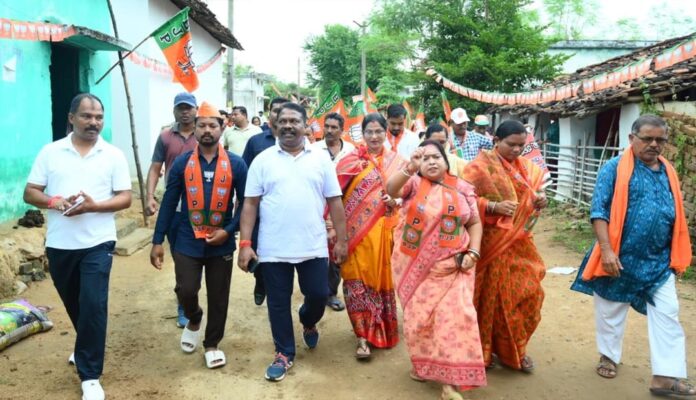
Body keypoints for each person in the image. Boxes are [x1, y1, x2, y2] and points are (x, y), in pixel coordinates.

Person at [571, 115, 695, 396]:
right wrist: (606, 250)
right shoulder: (614, 168)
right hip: (619, 255)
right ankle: (608, 356)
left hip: (658, 260)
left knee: (668, 312)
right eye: (647, 138)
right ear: (631, 138)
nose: (654, 144)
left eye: (660, 140)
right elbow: (599, 210)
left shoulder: (668, 171)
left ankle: (665, 377)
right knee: (610, 309)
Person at [23, 93, 132, 400]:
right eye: (86, 116)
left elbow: (125, 197)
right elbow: (31, 192)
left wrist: (94, 207)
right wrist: (55, 202)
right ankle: (85, 345)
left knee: (94, 304)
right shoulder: (51, 152)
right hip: (60, 244)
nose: (93, 122)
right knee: (76, 304)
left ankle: (90, 376)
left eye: (98, 117)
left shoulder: (113, 155)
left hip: (99, 242)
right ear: (71, 118)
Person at [238, 102, 348, 382]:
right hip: (273, 247)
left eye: (294, 121)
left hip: (313, 245)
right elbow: (250, 204)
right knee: (277, 302)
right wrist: (245, 244)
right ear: (275, 125)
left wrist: (342, 240)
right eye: (283, 121)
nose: (288, 126)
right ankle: (284, 352)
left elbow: (335, 201)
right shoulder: (263, 160)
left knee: (318, 295)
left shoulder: (321, 159)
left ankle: (308, 320)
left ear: (306, 125)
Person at [150, 102, 247, 370]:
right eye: (201, 125)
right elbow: (169, 202)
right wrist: (157, 240)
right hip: (187, 237)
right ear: (194, 129)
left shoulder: (236, 164)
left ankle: (212, 343)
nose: (207, 130)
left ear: (222, 128)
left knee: (218, 295)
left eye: (212, 125)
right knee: (186, 289)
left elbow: (246, 203)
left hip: (221, 240)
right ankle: (194, 317)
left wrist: (229, 230)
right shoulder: (183, 163)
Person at [387, 140, 487, 400]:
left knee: (454, 320)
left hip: (455, 267)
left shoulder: (462, 188)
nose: (431, 162)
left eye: (436, 157)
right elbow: (390, 189)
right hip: (417, 271)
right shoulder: (413, 184)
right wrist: (410, 167)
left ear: (446, 161)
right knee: (421, 322)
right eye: (425, 158)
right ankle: (424, 365)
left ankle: (449, 385)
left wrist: (474, 252)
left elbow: (474, 222)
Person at [460, 120, 548, 372]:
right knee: (488, 299)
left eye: (521, 145)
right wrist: (492, 206)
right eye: (511, 144)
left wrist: (539, 201)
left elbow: (532, 197)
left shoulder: (527, 169)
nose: (517, 150)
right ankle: (483, 351)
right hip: (488, 245)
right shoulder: (478, 168)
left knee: (529, 293)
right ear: (496, 141)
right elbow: (463, 199)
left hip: (519, 243)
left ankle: (515, 350)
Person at [332, 113, 403, 358]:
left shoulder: (397, 162)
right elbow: (333, 196)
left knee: (381, 283)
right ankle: (362, 336)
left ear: (386, 132)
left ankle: (381, 329)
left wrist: (396, 201)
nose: (374, 136)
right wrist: (333, 229)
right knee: (355, 282)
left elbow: (409, 194)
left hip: (386, 234)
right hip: (355, 236)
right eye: (369, 132)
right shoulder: (350, 161)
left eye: (378, 131)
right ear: (362, 134)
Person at [146, 92, 198, 329]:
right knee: (180, 258)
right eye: (180, 108)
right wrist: (150, 196)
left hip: (202, 209)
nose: (185, 112)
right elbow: (155, 168)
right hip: (175, 208)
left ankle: (190, 294)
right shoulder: (165, 137)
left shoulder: (205, 133)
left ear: (196, 110)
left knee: (201, 257)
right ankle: (184, 303)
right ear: (174, 110)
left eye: (189, 108)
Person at [241, 97, 288, 306]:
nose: (280, 114)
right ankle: (260, 282)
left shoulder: (298, 142)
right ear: (269, 113)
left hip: (286, 211)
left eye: (284, 110)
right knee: (260, 252)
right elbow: (245, 176)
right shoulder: (256, 142)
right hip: (259, 212)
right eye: (276, 110)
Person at [312, 112, 355, 312]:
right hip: (318, 208)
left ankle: (331, 293)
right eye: (326, 126)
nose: (329, 130)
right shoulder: (313, 150)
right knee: (320, 251)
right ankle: (316, 291)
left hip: (344, 208)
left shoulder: (351, 151)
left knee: (338, 248)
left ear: (342, 131)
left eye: (334, 127)